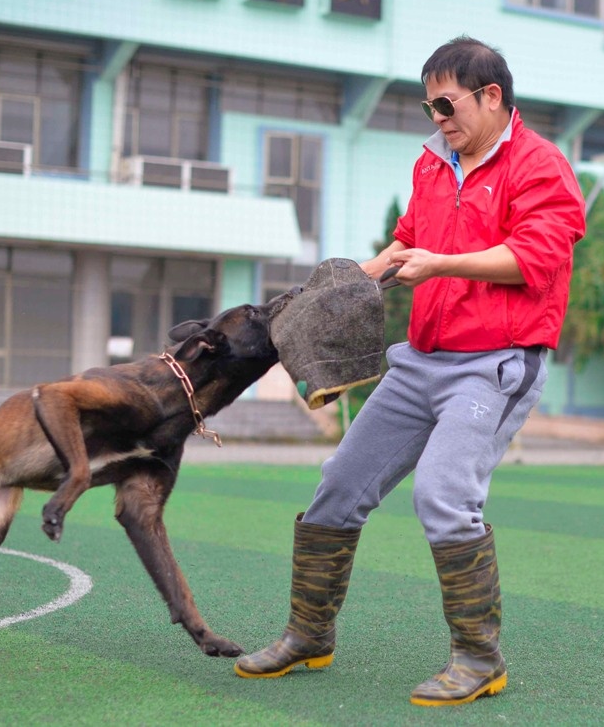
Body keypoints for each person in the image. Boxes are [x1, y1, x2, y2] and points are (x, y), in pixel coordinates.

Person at [234, 36, 586, 707]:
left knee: (444, 493)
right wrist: (360, 276)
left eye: (447, 103)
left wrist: (441, 263)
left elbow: (533, 258)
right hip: (420, 360)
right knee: (338, 485)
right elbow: (409, 242)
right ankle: (309, 633)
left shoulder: (541, 166)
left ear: (491, 96)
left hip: (494, 364)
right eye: (428, 106)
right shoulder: (434, 164)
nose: (437, 118)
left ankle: (480, 657)